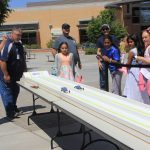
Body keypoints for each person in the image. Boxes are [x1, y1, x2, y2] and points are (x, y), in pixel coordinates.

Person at [0, 28, 27, 119]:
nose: (19, 37)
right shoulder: (8, 44)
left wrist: (24, 71)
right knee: (7, 92)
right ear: (12, 34)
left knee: (15, 90)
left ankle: (13, 107)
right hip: (6, 74)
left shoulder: (19, 44)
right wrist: (6, 74)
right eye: (17, 35)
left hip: (16, 75)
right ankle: (10, 113)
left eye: (20, 35)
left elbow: (22, 59)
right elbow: (2, 61)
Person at [123, 34, 149, 104]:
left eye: (131, 42)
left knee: (133, 89)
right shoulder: (143, 49)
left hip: (133, 72)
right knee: (141, 90)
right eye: (129, 42)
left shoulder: (132, 52)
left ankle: (133, 103)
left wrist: (125, 65)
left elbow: (128, 64)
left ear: (135, 41)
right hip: (142, 71)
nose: (130, 43)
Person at [96, 24, 119, 91]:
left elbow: (119, 48)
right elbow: (98, 51)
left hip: (112, 60)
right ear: (102, 31)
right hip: (103, 60)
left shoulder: (113, 38)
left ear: (109, 29)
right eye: (103, 29)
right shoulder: (100, 39)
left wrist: (120, 59)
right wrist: (99, 62)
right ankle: (104, 91)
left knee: (115, 76)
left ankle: (115, 91)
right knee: (103, 78)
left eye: (106, 28)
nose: (105, 30)